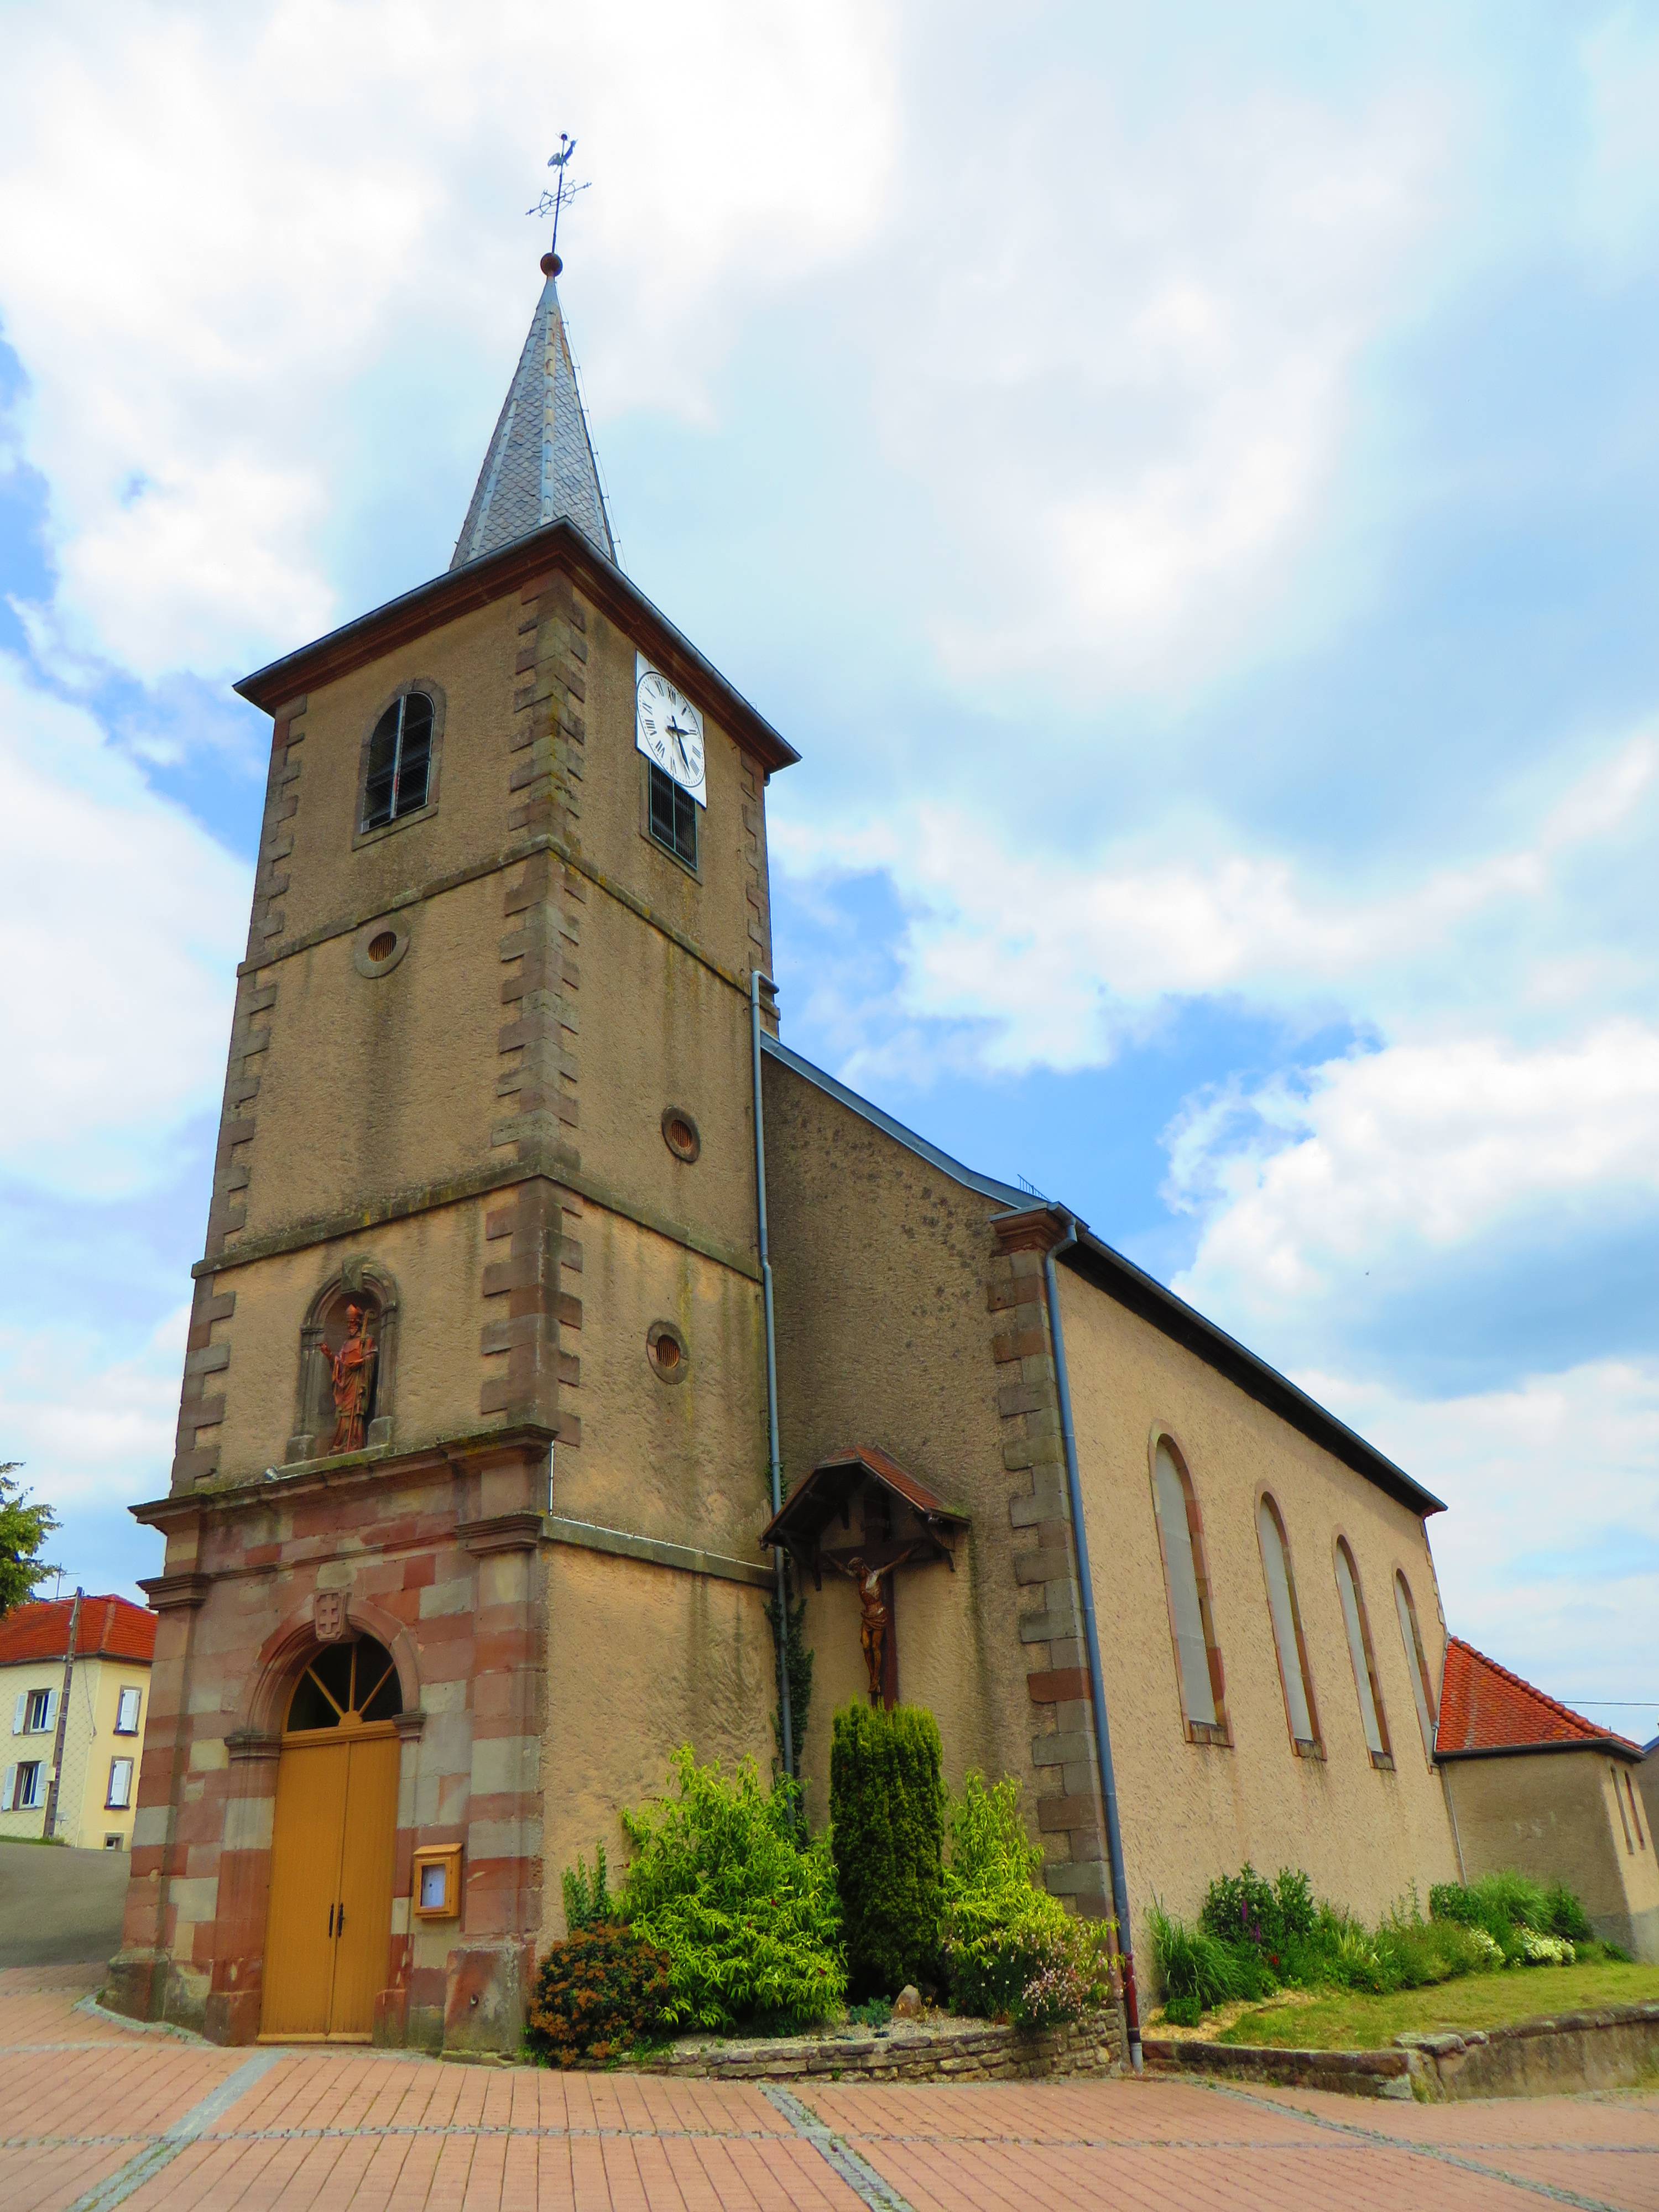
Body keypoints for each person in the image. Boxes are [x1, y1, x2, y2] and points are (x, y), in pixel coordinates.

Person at [324, 1301, 377, 1454]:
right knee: (343, 1414)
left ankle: (355, 1441)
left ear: (359, 1323)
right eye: (349, 1323)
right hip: (346, 1382)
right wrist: (329, 1356)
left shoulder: (367, 1341)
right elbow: (339, 1363)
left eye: (353, 1323)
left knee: (356, 1410)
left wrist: (362, 1362)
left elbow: (372, 1356)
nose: (351, 1326)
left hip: (358, 1381)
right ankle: (342, 1444)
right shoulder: (346, 1344)